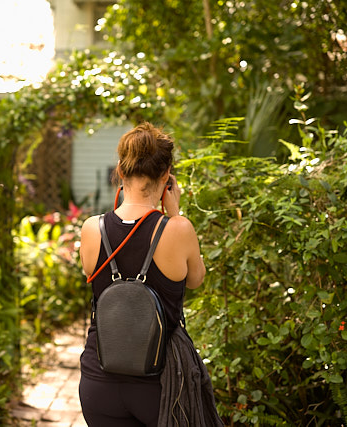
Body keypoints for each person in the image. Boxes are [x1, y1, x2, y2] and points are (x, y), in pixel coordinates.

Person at [78, 122, 209, 426]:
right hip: (160, 387)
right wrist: (175, 213)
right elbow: (196, 278)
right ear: (167, 176)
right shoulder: (178, 229)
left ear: (120, 172)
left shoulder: (91, 228)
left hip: (99, 380)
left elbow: (91, 272)